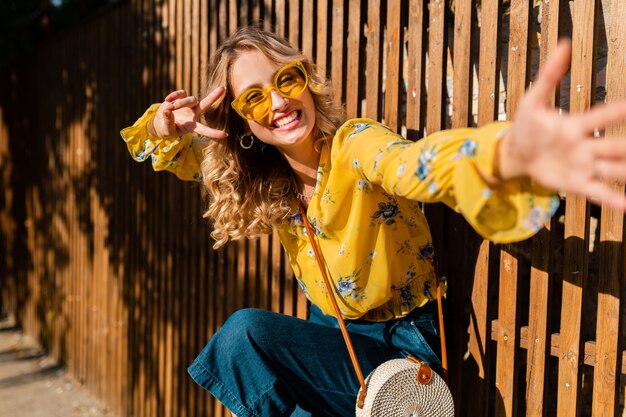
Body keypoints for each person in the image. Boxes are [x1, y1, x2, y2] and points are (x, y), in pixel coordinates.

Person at [120, 26, 626, 417]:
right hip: (335, 340)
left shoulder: (355, 143)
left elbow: (417, 165)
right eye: (253, 97)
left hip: (405, 347)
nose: (277, 102)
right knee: (243, 357)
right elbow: (170, 152)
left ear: (305, 81)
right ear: (242, 122)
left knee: (242, 334)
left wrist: (504, 153)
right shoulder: (267, 177)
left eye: (286, 79)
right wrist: (163, 123)